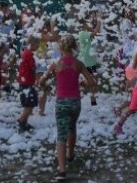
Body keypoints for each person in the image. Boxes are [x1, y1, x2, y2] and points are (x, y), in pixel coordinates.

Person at [38, 34, 96, 182]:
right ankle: (70, 154)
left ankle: (62, 170)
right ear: (75, 47)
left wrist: (47, 86)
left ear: (60, 48)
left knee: (61, 134)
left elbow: (41, 81)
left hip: (61, 103)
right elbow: (91, 82)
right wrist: (81, 83)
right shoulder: (79, 64)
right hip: (75, 102)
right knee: (72, 127)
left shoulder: (55, 64)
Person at [16, 35, 40, 133]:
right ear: (33, 44)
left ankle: (24, 122)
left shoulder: (25, 51)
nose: (38, 47)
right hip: (27, 81)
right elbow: (33, 67)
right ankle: (21, 120)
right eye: (37, 45)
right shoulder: (29, 54)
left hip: (24, 81)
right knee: (31, 103)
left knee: (27, 103)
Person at [77, 12, 101, 105]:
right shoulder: (82, 33)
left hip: (90, 60)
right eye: (87, 23)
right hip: (86, 61)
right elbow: (96, 31)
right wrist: (99, 20)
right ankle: (81, 83)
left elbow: (96, 32)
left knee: (95, 81)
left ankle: (93, 100)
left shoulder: (86, 32)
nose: (89, 25)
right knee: (93, 82)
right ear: (83, 25)